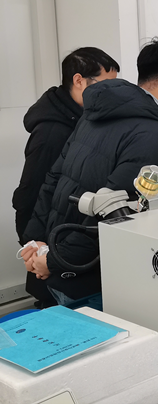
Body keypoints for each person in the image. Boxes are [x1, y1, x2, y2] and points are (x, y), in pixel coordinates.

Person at [20, 32, 158, 305]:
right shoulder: (150, 132)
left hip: (59, 263)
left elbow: (53, 179)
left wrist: (37, 243)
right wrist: (54, 260)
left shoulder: (95, 113)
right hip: (90, 278)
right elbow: (116, 217)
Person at [12, 47, 119, 307]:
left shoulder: (84, 120)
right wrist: (35, 249)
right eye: (105, 85)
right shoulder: (53, 132)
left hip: (68, 249)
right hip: (50, 253)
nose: (112, 94)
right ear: (79, 80)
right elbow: (30, 194)